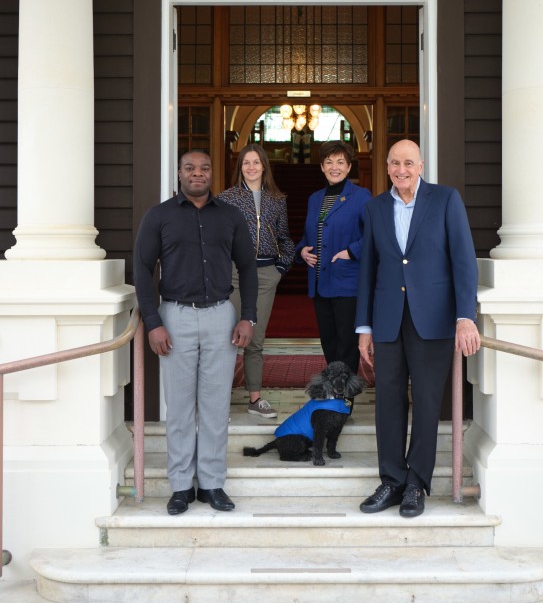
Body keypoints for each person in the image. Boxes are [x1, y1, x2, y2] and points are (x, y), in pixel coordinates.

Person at [356, 139, 480, 518]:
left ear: (421, 165)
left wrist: (465, 316)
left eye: (408, 162)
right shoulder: (375, 207)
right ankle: (392, 480)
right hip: (388, 319)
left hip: (435, 320)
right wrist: (365, 327)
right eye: (394, 163)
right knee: (388, 402)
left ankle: (416, 484)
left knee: (426, 402)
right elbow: (369, 272)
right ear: (387, 166)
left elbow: (463, 260)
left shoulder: (445, 200)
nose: (401, 169)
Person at [134, 149, 258, 516]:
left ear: (212, 173)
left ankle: (212, 483)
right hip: (175, 319)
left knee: (217, 406)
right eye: (190, 168)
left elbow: (249, 269)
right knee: (181, 409)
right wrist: (153, 322)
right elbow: (142, 270)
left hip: (222, 316)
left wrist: (248, 317)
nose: (198, 173)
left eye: (204, 167)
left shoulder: (231, 217)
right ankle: (180, 487)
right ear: (179, 173)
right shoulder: (159, 216)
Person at [218, 143, 295, 418]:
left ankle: (255, 399)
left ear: (264, 166)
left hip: (265, 276)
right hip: (235, 275)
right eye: (246, 163)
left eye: (256, 162)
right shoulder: (226, 199)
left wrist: (280, 271)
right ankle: (219, 402)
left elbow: (286, 239)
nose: (251, 167)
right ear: (240, 167)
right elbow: (217, 240)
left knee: (255, 339)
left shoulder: (277, 199)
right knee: (227, 338)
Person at [296, 140, 372, 374]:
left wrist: (351, 251)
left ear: (350, 167)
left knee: (346, 346)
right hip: (320, 284)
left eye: (340, 162)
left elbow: (374, 234)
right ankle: (335, 394)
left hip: (347, 283)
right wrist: (302, 251)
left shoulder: (361, 196)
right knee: (329, 343)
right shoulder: (314, 198)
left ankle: (343, 401)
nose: (334, 167)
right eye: (329, 162)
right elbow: (309, 234)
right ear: (321, 167)